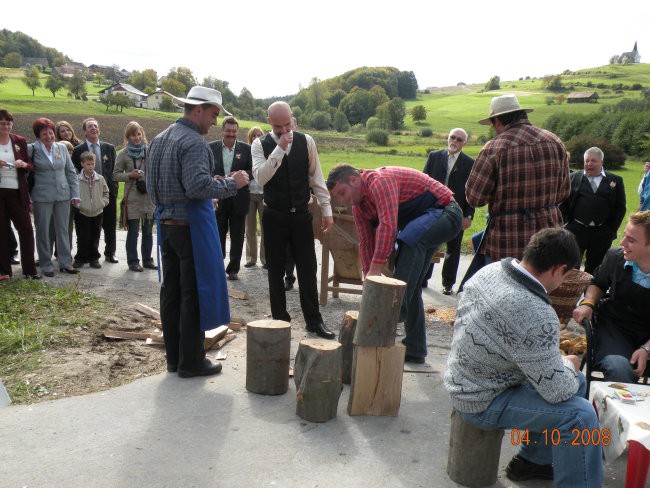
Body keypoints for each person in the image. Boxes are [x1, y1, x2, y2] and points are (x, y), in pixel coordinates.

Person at [445, 228, 602, 486]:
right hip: (480, 398)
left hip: (466, 375)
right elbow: (556, 391)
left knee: (578, 385)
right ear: (558, 269)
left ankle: (531, 461)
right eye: (565, 276)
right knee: (580, 416)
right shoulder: (536, 312)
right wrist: (570, 364)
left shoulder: (491, 271)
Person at [146, 85, 249, 378]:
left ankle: (174, 358)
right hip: (188, 228)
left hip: (166, 225)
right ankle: (191, 361)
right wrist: (233, 183)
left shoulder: (159, 138)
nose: (215, 122)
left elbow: (164, 187)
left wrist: (211, 182)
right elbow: (196, 187)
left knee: (171, 293)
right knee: (192, 294)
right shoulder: (193, 142)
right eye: (214, 115)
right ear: (198, 109)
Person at [327, 164, 463, 362]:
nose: (343, 199)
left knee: (409, 242)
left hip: (446, 213)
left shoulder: (380, 182)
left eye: (342, 192)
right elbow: (366, 242)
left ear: (354, 180)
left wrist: (376, 271)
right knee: (412, 284)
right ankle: (415, 349)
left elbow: (388, 226)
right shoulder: (359, 207)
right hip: (425, 221)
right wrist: (368, 276)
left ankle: (395, 311)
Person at [251, 101, 335, 340]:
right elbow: (261, 177)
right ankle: (279, 320)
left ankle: (314, 320)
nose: (284, 130)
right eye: (279, 127)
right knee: (275, 269)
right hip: (274, 215)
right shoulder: (259, 144)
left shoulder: (306, 141)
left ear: (292, 119)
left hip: (301, 214)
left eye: (288, 124)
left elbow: (316, 178)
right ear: (270, 123)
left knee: (308, 268)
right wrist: (278, 149)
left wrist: (327, 211)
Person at [466, 94, 570, 263]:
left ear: (497, 121)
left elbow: (475, 198)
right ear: (522, 115)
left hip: (507, 240)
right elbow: (564, 192)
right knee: (542, 288)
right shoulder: (555, 142)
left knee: (501, 288)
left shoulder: (494, 148)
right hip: (549, 238)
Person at [573, 211, 650, 383]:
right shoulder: (616, 257)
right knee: (619, 369)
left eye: (631, 240)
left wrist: (646, 349)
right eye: (624, 236)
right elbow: (598, 283)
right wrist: (588, 303)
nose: (622, 243)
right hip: (615, 330)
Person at [422, 127, 474, 293]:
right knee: (429, 244)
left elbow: (471, 191)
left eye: (459, 139)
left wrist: (469, 215)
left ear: (464, 143)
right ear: (448, 138)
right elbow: (423, 182)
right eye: (453, 137)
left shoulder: (469, 163)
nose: (455, 141)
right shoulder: (434, 156)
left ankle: (448, 284)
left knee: (454, 247)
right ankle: (423, 279)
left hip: (457, 210)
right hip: (433, 208)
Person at [560, 147, 626, 274]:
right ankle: (570, 293)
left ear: (601, 162)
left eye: (593, 161)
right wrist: (568, 224)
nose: (589, 164)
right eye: (587, 161)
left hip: (601, 233)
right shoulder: (573, 178)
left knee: (595, 269)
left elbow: (620, 207)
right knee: (571, 267)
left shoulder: (615, 181)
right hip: (576, 231)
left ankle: (590, 293)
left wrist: (611, 229)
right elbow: (563, 203)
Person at [30, 118, 80, 277]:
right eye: (44, 133)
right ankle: (46, 264)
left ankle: (65, 263)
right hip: (41, 196)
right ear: (38, 135)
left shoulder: (62, 148)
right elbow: (26, 176)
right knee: (43, 230)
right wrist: (28, 198)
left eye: (51, 133)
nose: (49, 136)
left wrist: (75, 194)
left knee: (63, 229)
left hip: (63, 195)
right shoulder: (32, 149)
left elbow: (71, 172)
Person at [209, 116, 252, 280]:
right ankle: (217, 266)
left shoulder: (246, 149)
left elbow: (253, 172)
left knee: (237, 234)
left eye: (234, 131)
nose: (231, 134)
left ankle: (233, 269)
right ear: (222, 130)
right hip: (217, 197)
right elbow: (204, 170)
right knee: (217, 233)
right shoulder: (210, 148)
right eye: (228, 131)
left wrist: (241, 175)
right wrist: (213, 177)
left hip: (239, 198)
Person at [72, 118, 118, 263]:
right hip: (87, 195)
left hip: (106, 193)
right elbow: (74, 172)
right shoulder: (78, 150)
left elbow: (114, 170)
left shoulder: (109, 148)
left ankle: (110, 253)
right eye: (90, 126)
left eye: (95, 126)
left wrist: (112, 190)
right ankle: (86, 256)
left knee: (110, 226)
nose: (93, 128)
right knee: (86, 229)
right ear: (85, 131)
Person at [0, 109, 40, 279]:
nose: (6, 126)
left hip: (17, 192)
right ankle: (4, 271)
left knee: (26, 229)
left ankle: (30, 270)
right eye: (2, 123)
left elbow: (31, 166)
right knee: (1, 232)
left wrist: (22, 163)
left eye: (9, 123)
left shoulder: (19, 141)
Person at [113, 121, 156, 272]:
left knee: (148, 231)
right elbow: (115, 175)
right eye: (133, 135)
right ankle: (132, 261)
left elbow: (156, 170)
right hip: (132, 198)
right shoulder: (123, 154)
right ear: (128, 137)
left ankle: (148, 260)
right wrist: (130, 175)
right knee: (133, 232)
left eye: (139, 134)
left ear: (142, 134)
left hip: (148, 197)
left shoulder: (150, 151)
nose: (137, 138)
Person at [73, 152, 109, 269]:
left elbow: (106, 193)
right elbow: (73, 194)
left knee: (95, 236)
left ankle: (94, 258)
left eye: (92, 164)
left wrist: (102, 203)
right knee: (83, 236)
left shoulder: (100, 178)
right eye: (88, 164)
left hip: (97, 212)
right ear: (82, 164)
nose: (91, 166)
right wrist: (79, 205)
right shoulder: (77, 179)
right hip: (82, 212)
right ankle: (80, 258)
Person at [244, 126, 266, 269]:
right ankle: (251, 259)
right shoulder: (246, 152)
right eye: (254, 135)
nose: (257, 138)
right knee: (249, 228)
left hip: (264, 194)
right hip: (249, 194)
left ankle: (266, 259)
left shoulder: (267, 152)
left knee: (266, 228)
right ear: (250, 138)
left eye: (259, 135)